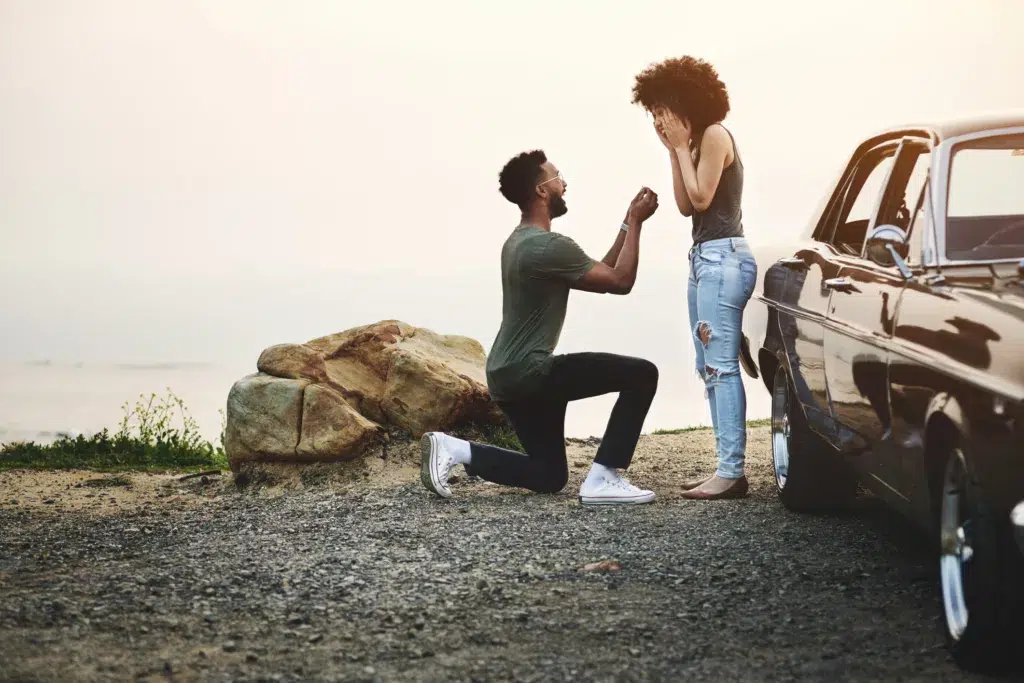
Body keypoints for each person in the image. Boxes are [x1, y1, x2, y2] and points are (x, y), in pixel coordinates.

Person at [420, 149, 662, 505]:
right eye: (558, 177)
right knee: (642, 375)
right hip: (530, 372)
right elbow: (621, 280)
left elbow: (602, 271)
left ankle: (455, 449)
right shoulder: (547, 247)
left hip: (507, 375)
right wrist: (639, 223)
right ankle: (604, 477)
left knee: (548, 475)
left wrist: (628, 220)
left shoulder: (520, 242)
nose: (565, 183)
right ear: (542, 191)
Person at [632, 56, 758, 500]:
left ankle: (731, 472)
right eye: (654, 113)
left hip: (724, 259)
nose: (659, 119)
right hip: (704, 259)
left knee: (721, 366)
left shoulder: (715, 136)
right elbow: (685, 206)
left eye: (662, 109)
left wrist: (683, 146)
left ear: (686, 101)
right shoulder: (694, 144)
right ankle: (726, 467)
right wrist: (674, 150)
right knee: (709, 366)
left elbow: (703, 198)